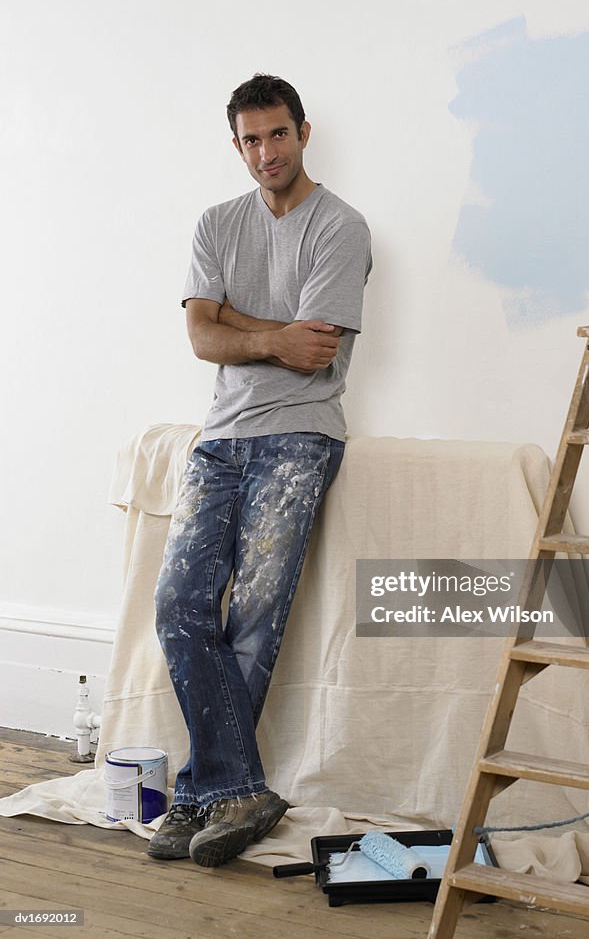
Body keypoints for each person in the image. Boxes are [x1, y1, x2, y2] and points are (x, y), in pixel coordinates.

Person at [148, 73, 372, 867]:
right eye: (251, 139)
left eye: (278, 135)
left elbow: (316, 354)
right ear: (236, 145)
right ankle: (233, 789)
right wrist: (268, 335)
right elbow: (201, 340)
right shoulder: (217, 224)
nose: (266, 152)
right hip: (220, 440)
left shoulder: (340, 228)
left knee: (252, 617)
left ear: (303, 134)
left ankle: (193, 794)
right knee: (178, 609)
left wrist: (239, 321)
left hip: (301, 438)